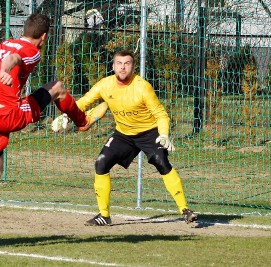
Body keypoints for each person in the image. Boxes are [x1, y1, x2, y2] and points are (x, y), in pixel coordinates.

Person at [0, 13, 93, 243]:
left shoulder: (4, 43)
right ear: (44, 36)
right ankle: (82, 122)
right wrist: (6, 70)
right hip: (7, 115)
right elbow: (15, 59)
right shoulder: (33, 52)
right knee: (56, 87)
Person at [52, 49, 197, 226]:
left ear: (133, 67)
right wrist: (67, 115)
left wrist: (164, 134)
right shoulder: (105, 85)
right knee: (101, 162)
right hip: (124, 134)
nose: (122, 67)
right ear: (113, 66)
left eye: (127, 63)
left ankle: (185, 210)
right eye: (119, 63)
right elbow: (83, 102)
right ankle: (104, 216)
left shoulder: (142, 87)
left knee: (161, 160)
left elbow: (160, 114)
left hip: (149, 132)